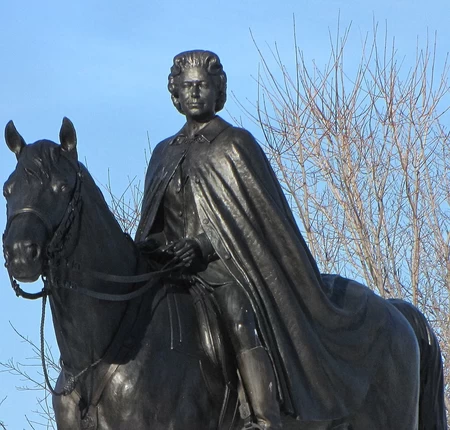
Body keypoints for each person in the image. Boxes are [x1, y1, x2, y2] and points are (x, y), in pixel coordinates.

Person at [135, 50, 386, 429]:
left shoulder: (234, 144)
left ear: (217, 91)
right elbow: (155, 225)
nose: (194, 93)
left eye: (202, 85)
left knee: (238, 315)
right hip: (172, 271)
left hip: (224, 267)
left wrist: (201, 246)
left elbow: (252, 221)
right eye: (187, 87)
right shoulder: (163, 154)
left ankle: (263, 416)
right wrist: (151, 249)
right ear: (175, 93)